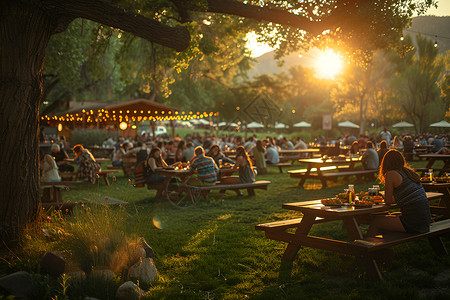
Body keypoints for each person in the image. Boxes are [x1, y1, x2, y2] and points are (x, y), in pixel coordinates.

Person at [367, 149, 431, 236]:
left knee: (376, 221)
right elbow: (403, 197)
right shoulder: (409, 172)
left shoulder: (391, 174)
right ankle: (383, 249)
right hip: (425, 219)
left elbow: (388, 201)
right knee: (390, 216)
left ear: (385, 163)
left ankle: (367, 247)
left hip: (415, 223)